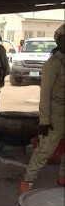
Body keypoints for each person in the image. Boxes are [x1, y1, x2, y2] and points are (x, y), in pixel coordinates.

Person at [19, 24, 65, 193]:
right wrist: (44, 120)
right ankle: (26, 184)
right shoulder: (53, 64)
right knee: (43, 152)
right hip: (55, 114)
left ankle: (61, 182)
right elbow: (45, 94)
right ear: (58, 40)